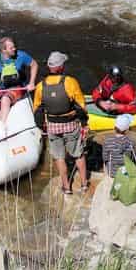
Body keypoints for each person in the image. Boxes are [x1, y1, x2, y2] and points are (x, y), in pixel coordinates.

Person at [32, 52, 88, 194]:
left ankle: (66, 187)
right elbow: (81, 106)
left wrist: (41, 126)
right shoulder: (70, 82)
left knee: (59, 157)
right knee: (78, 154)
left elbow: (37, 110)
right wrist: (84, 123)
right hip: (70, 124)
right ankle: (84, 184)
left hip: (52, 125)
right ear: (61, 67)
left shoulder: (40, 86)